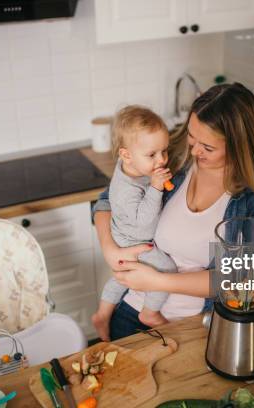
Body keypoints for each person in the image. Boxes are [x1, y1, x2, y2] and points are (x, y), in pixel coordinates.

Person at [92, 83, 254, 340]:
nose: (195, 151)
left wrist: (158, 282)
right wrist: (110, 249)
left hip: (195, 327)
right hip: (130, 309)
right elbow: (107, 200)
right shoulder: (172, 157)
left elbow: (244, 282)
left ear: (240, 146)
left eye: (207, 148)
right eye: (191, 137)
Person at [91, 106, 178, 342]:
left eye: (164, 151)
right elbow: (144, 227)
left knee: (121, 274)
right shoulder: (126, 191)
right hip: (135, 239)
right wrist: (156, 188)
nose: (161, 160)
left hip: (123, 235)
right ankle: (149, 313)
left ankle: (102, 313)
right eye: (152, 155)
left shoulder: (131, 168)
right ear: (126, 154)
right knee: (167, 269)